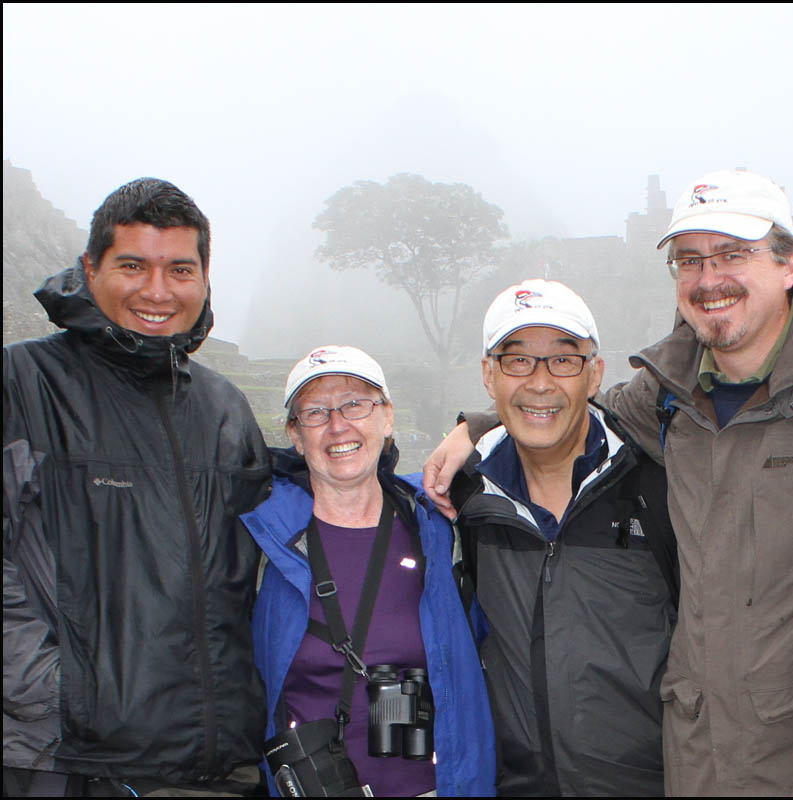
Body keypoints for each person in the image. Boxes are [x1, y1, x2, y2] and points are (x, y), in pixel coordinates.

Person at [423, 170, 793, 795]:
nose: (709, 279)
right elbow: (567, 406)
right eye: (690, 260)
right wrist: (478, 427)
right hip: (691, 759)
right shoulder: (664, 397)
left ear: (789, 265)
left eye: (733, 254)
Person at [3, 178, 271, 796]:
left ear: (204, 276)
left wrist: (468, 436)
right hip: (64, 764)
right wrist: (57, 694)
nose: (157, 291)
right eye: (133, 265)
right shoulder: (21, 382)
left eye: (179, 268)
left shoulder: (224, 408)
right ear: (91, 267)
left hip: (216, 767)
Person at [445, 279, 677, 796]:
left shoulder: (657, 485)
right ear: (489, 374)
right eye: (518, 360)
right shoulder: (463, 501)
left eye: (563, 361)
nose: (540, 383)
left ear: (595, 372)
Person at [242, 345, 495, 797]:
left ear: (388, 417)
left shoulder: (434, 518)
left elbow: (540, 417)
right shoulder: (263, 534)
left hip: (430, 785)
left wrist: (469, 429)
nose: (339, 425)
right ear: (296, 437)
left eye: (356, 404)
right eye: (315, 413)